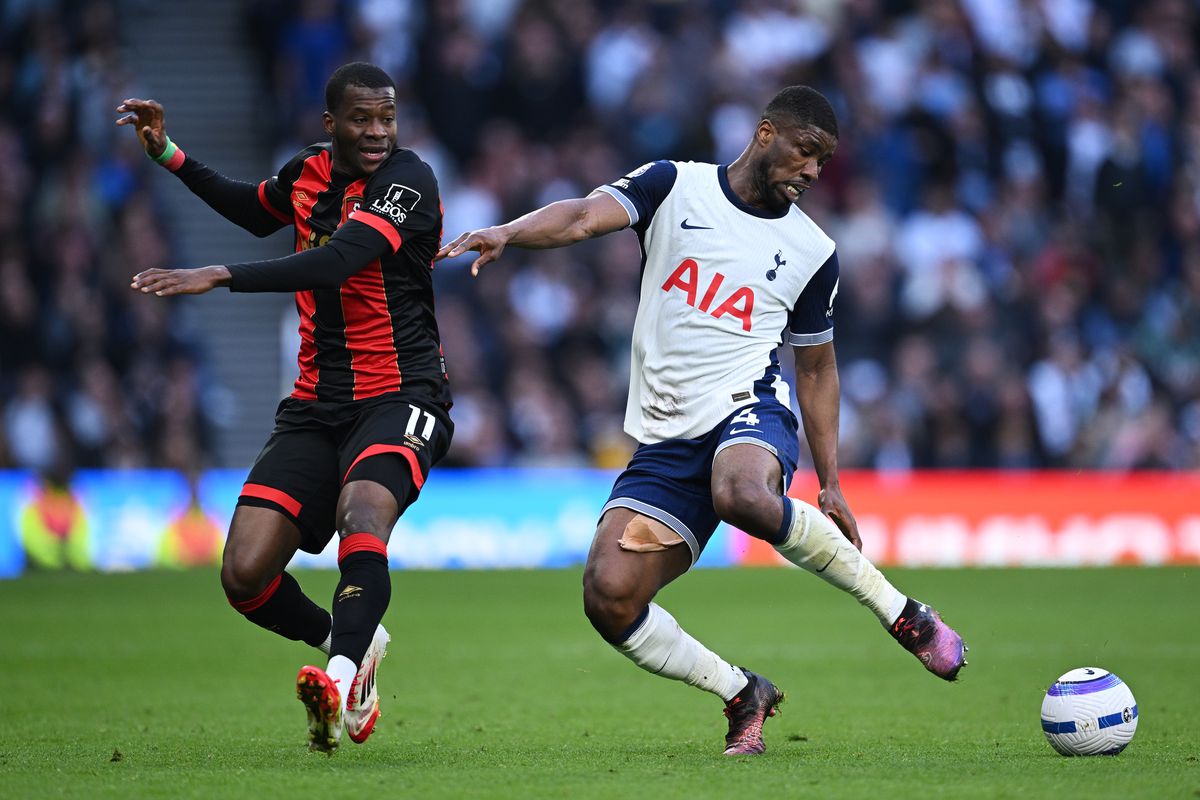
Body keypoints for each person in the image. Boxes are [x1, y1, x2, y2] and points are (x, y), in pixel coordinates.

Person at [437, 86, 966, 756]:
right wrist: (511, 231)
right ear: (767, 132)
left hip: (751, 408)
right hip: (666, 437)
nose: (812, 171)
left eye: (824, 163)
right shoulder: (672, 186)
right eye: (806, 152)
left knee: (742, 491)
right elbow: (579, 217)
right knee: (608, 595)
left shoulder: (813, 251)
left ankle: (904, 615)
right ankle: (742, 692)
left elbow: (816, 368)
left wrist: (829, 479)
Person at [118, 62, 453, 753]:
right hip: (313, 406)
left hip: (401, 394)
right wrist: (168, 153)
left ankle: (335, 681)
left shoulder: (408, 182)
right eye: (362, 119)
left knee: (362, 515)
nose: (377, 132)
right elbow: (254, 206)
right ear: (331, 125)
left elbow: (338, 261)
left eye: (387, 118)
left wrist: (220, 274)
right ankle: (354, 642)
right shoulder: (306, 171)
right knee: (243, 573)